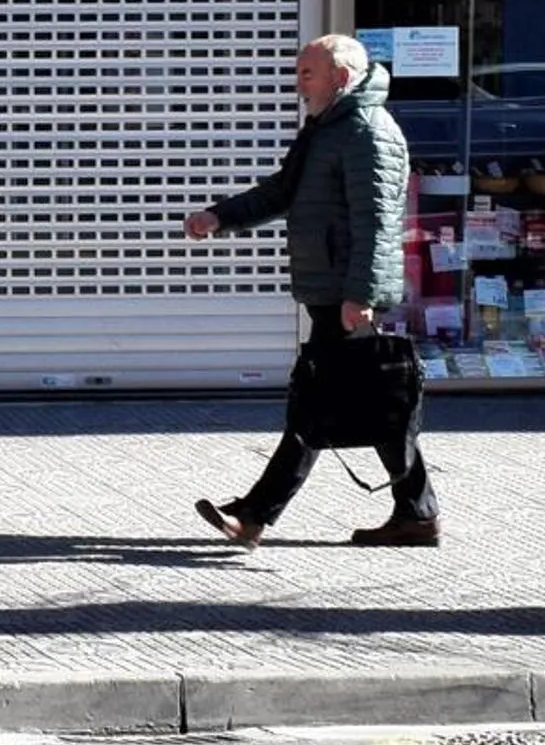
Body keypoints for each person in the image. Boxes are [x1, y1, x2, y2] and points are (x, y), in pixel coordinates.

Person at [184, 33, 441, 548]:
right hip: (330, 285)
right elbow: (284, 190)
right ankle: (417, 512)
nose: (298, 83)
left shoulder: (367, 132)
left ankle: (254, 515)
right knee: (372, 400)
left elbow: (377, 223)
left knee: (317, 400)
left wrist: (361, 294)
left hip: (346, 290)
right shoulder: (327, 128)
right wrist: (220, 216)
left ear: (340, 77)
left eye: (307, 73)